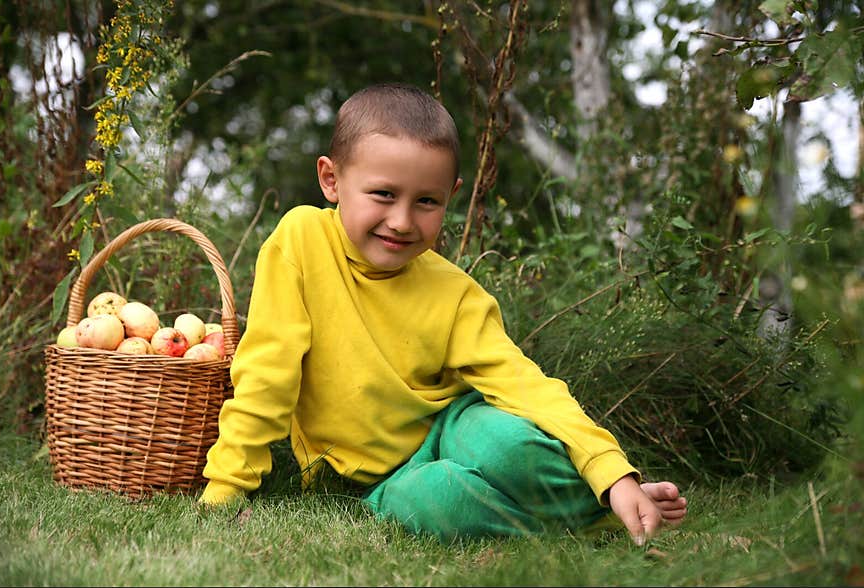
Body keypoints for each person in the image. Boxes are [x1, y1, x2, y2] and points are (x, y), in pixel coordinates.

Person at [199, 82, 687, 544]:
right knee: (440, 500)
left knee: (509, 445)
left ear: (450, 196)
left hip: (453, 423)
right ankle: (588, 522)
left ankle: (614, 500)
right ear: (331, 179)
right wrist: (226, 486)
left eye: (426, 201)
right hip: (377, 477)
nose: (402, 221)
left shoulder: (455, 294)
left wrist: (611, 470)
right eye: (384, 194)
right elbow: (267, 372)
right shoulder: (300, 242)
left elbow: (525, 385)